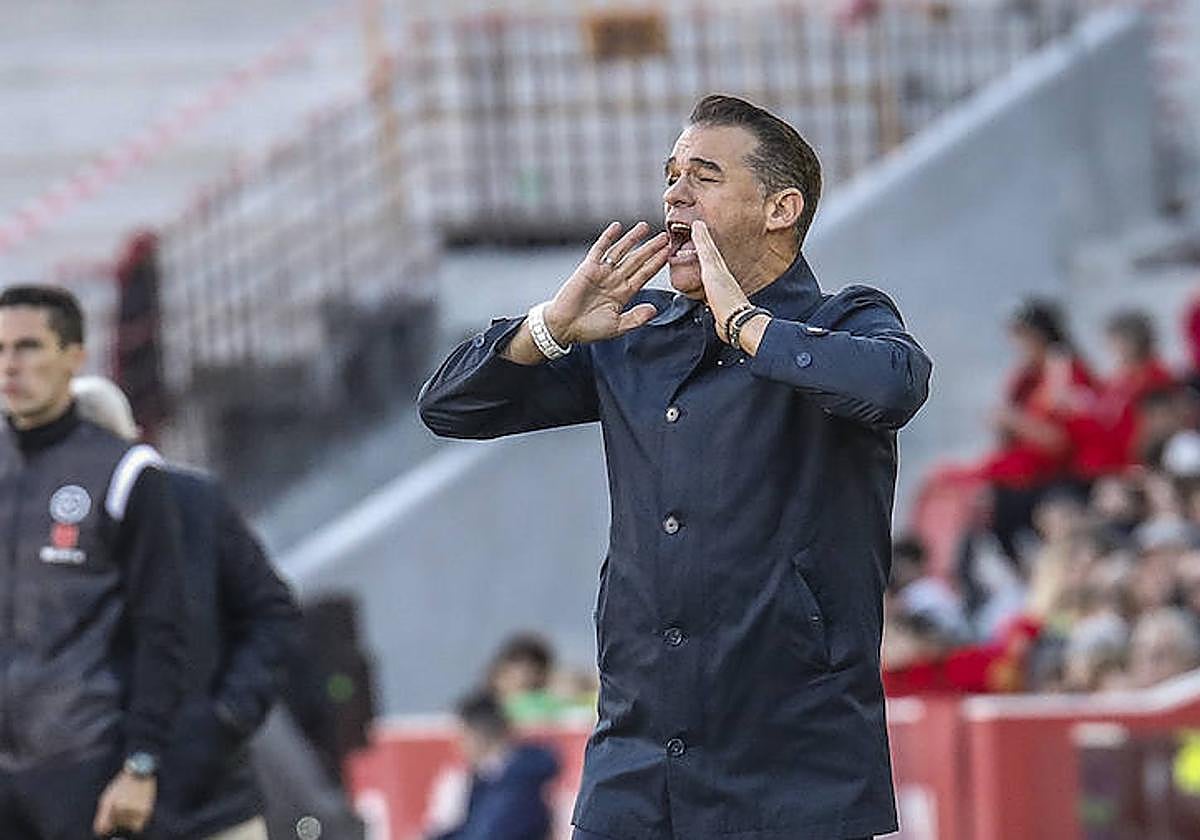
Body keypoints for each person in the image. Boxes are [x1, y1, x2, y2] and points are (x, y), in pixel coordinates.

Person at [420, 94, 932, 840]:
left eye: (704, 175)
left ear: (780, 208)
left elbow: (896, 385)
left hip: (794, 766)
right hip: (638, 762)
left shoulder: (843, 320)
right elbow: (449, 407)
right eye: (670, 176)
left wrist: (749, 328)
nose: (673, 195)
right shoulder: (636, 331)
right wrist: (550, 328)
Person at [71, 375, 301, 840]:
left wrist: (226, 717)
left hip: (205, 800)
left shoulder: (194, 501)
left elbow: (271, 612)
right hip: (87, 803)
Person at [0, 285, 186, 839]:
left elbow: (165, 629)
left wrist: (142, 764)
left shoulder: (126, 471)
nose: (11, 365)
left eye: (29, 347)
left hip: (85, 763)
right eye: (1, 348)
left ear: (74, 357)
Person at [425, 691, 559, 840]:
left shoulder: (519, 780)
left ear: (476, 735)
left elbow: (490, 833)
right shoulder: (489, 778)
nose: (459, 746)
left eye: (462, 736)